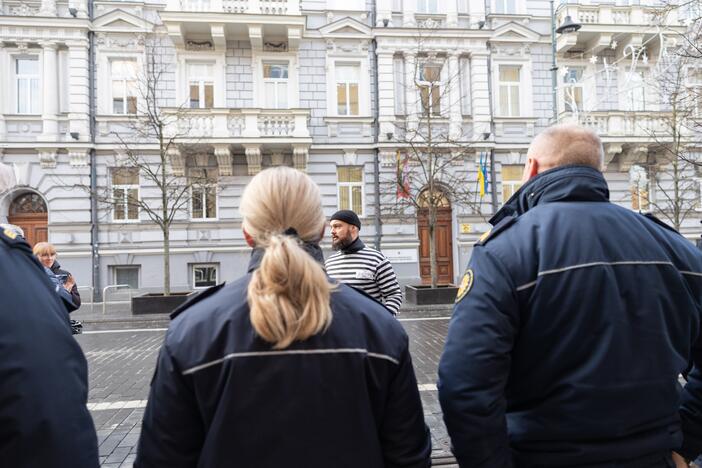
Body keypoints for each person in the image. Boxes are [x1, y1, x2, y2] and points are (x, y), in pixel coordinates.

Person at [438, 124, 702, 467]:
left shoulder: (506, 251)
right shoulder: (675, 247)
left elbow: (465, 384)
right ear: (599, 171)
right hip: (654, 456)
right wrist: (687, 441)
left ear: (531, 168)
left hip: (543, 455)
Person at [135, 167, 431, 468]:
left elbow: (161, 458)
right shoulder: (379, 329)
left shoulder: (191, 331)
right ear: (319, 229)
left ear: (247, 233)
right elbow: (408, 456)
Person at [0, 163, 98, 468]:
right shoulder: (17, 265)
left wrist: (62, 293)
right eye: (44, 255)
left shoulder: (30, 269)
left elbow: (74, 302)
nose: (49, 258)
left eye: (51, 255)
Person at [325, 209, 403, 315]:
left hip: (369, 330)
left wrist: (381, 321)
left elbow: (394, 295)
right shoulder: (329, 263)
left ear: (353, 228)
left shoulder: (377, 259)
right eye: (331, 227)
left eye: (337, 226)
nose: (332, 231)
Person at [33, 242, 81, 311]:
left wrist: (68, 293)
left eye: (52, 254)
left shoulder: (65, 274)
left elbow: (76, 304)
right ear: (36, 256)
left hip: (59, 319)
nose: (49, 258)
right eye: (45, 255)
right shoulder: (30, 274)